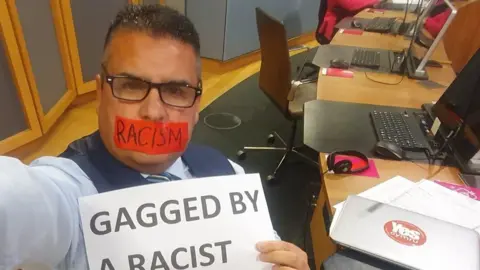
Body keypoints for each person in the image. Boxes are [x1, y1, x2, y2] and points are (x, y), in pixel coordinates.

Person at [0, 4, 309, 270]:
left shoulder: (228, 172)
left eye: (176, 91)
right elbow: (14, 200)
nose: (154, 112)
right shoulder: (67, 193)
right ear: (100, 94)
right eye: (131, 85)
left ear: (196, 107)